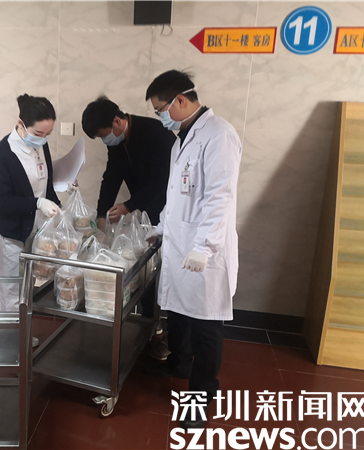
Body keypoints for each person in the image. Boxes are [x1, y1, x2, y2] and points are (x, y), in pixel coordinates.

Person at [143, 70, 242, 429]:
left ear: (180, 101)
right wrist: (159, 229)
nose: (161, 117)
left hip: (204, 253)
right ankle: (179, 364)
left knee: (205, 325)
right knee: (181, 316)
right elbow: (176, 197)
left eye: (160, 110)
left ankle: (202, 395)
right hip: (182, 247)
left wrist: (205, 246)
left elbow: (220, 197)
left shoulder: (219, 136)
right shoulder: (181, 142)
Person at [0, 94, 61, 345]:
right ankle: (13, 343)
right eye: (39, 133)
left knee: (27, 286)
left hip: (35, 228)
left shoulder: (41, 145)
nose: (43, 138)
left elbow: (46, 183)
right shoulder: (2, 155)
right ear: (21, 124)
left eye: (48, 133)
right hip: (12, 233)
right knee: (12, 290)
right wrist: (37, 203)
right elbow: (1, 203)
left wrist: (57, 204)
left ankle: (22, 334)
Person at [81, 96, 175, 230]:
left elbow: (162, 180)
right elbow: (112, 177)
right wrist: (102, 214)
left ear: (117, 121)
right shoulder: (116, 142)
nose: (104, 140)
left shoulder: (154, 132)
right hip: (147, 207)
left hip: (170, 205)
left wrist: (128, 206)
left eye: (103, 135)